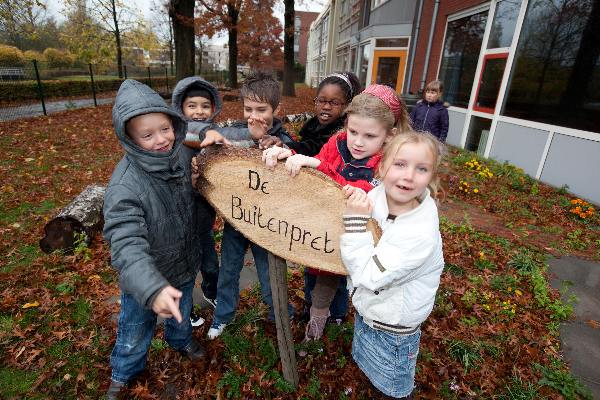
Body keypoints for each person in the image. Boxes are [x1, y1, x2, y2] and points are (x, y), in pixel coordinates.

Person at [262, 84, 410, 344]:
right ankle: (320, 309)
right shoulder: (338, 142)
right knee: (313, 269)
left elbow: (363, 193)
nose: (358, 142)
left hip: (354, 235)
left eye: (369, 136)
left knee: (332, 277)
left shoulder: (390, 163)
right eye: (353, 131)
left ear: (389, 135)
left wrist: (319, 166)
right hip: (322, 226)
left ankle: (325, 320)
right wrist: (290, 155)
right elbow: (318, 163)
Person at [103, 79, 210, 399]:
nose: (162, 139)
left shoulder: (177, 154)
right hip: (146, 281)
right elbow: (126, 244)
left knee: (183, 309)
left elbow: (195, 147)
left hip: (183, 262)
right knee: (135, 328)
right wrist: (151, 288)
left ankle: (181, 341)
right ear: (131, 139)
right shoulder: (124, 187)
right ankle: (125, 370)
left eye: (165, 128)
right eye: (147, 135)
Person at [340, 130, 445, 399]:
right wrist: (354, 197)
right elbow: (370, 213)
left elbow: (367, 275)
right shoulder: (379, 195)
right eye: (400, 164)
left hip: (393, 330)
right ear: (382, 167)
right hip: (371, 312)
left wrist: (354, 223)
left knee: (391, 390)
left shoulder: (419, 235)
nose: (408, 176)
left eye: (421, 169)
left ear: (431, 178)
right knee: (370, 374)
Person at [206, 71, 294, 340]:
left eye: (261, 109)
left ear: (276, 109)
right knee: (228, 271)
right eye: (248, 108)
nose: (254, 115)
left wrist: (275, 147)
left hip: (267, 224)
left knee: (269, 276)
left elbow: (291, 169)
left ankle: (280, 313)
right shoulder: (237, 135)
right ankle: (223, 316)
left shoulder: (284, 140)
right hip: (236, 219)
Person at [171, 76, 262, 328]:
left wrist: (253, 136)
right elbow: (195, 134)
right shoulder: (176, 132)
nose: (198, 111)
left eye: (204, 106)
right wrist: (212, 134)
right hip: (178, 219)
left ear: (213, 108)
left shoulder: (214, 131)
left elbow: (229, 137)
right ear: (180, 108)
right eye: (192, 105)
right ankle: (184, 308)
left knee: (210, 264)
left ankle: (211, 291)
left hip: (203, 219)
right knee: (184, 271)